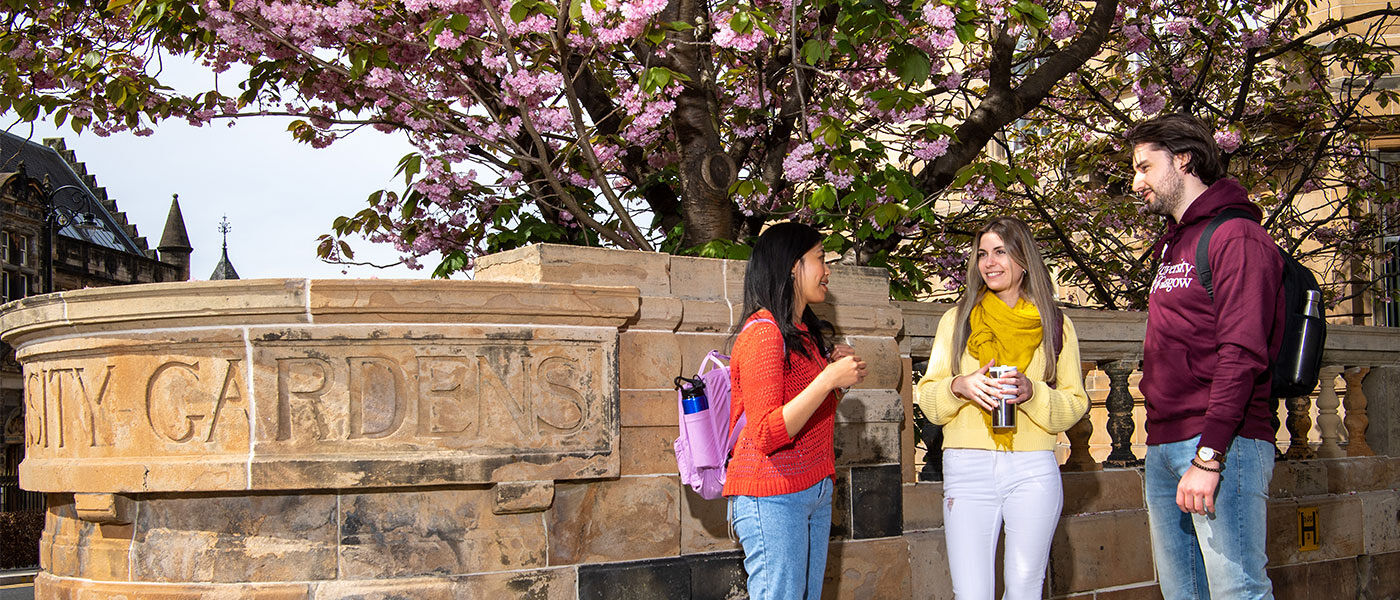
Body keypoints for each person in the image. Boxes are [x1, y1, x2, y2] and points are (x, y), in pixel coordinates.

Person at [1128, 113, 1282, 599]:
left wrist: (1210, 456)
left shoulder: (1237, 237)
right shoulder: (1174, 244)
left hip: (1223, 445)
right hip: (1164, 446)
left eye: (1145, 167)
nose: (1137, 183)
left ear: (1184, 159)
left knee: (1239, 591)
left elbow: (1241, 352)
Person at [915, 216, 1089, 600]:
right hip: (967, 466)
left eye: (1000, 252)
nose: (989, 263)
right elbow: (928, 400)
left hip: (1032, 469)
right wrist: (960, 386)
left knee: (1025, 589)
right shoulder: (956, 320)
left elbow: (1076, 404)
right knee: (971, 593)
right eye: (982, 254)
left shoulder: (1056, 324)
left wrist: (1033, 393)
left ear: (1023, 258)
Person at [724, 222, 868, 600]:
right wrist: (825, 381)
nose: (827, 270)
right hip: (772, 494)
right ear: (792, 266)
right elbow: (768, 432)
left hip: (813, 488)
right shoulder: (763, 333)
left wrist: (834, 380)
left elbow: (810, 419)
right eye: (820, 259)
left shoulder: (802, 332)